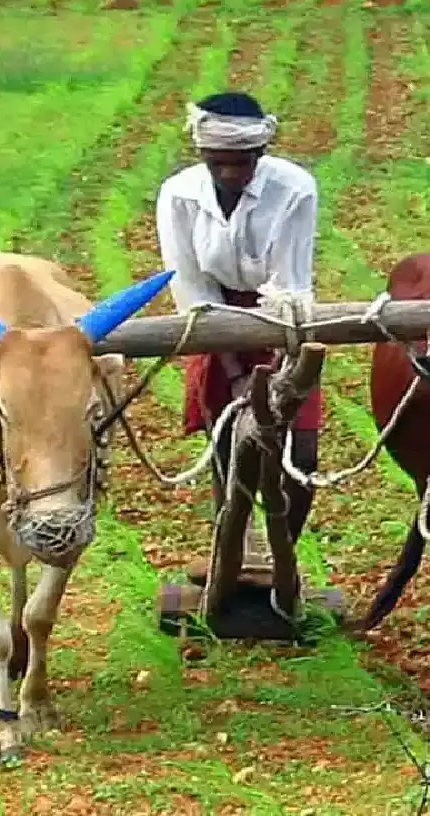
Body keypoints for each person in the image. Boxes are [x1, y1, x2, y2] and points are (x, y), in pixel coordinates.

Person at [154, 91, 323, 570]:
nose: (229, 173)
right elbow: (190, 283)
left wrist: (279, 376)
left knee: (302, 452)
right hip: (214, 319)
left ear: (260, 154)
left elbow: (288, 284)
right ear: (203, 156)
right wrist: (232, 371)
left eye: (241, 163)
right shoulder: (179, 194)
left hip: (280, 319)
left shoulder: (294, 189)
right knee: (229, 441)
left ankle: (281, 557)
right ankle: (234, 549)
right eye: (218, 163)